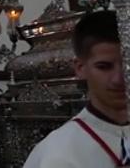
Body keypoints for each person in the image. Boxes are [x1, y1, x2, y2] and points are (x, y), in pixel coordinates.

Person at [23, 10, 130, 167]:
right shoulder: (59, 154)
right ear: (80, 68)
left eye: (128, 65)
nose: (119, 79)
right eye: (104, 67)